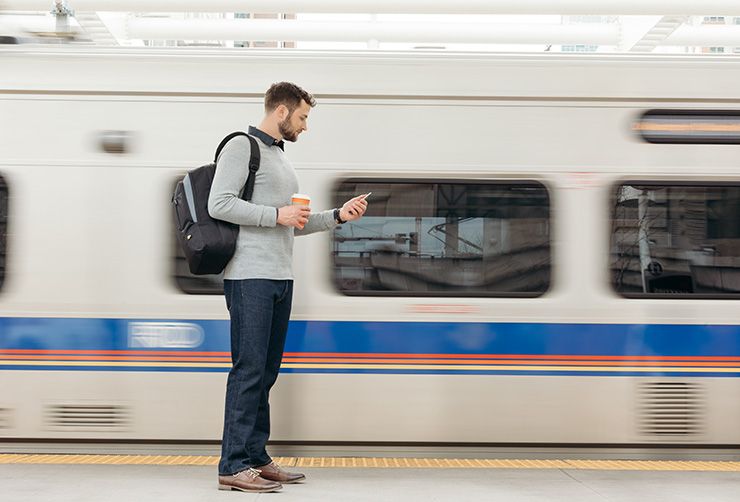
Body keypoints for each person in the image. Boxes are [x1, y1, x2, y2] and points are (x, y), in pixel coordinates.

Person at [208, 82, 368, 493]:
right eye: (302, 117)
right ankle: (233, 464)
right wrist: (274, 215)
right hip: (249, 276)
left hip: (279, 276)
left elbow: (291, 221)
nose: (305, 126)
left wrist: (337, 216)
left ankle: (256, 457)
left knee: (266, 370)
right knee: (248, 369)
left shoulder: (278, 156)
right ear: (281, 112)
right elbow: (219, 203)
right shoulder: (242, 147)